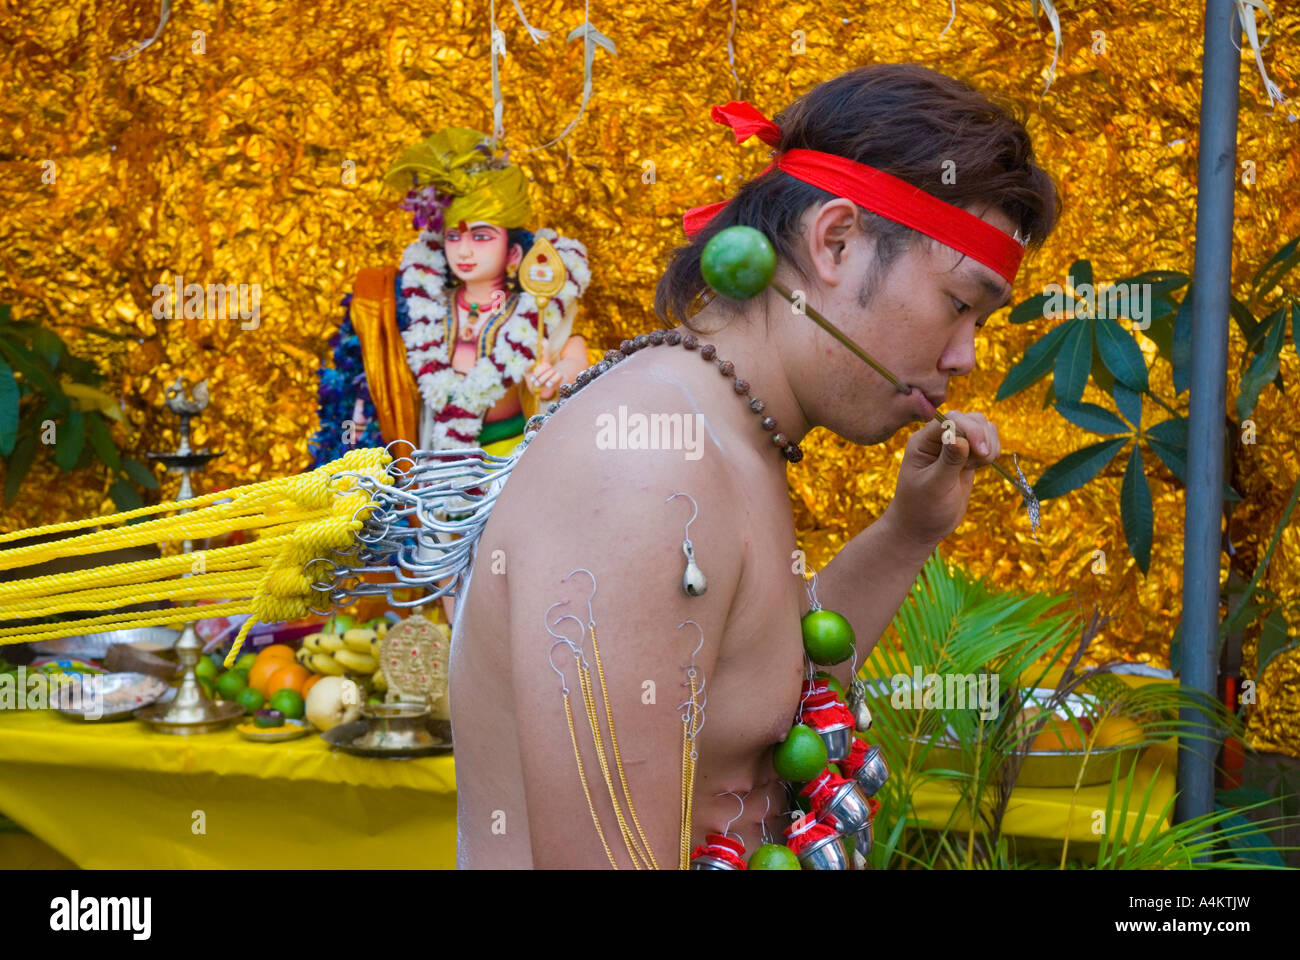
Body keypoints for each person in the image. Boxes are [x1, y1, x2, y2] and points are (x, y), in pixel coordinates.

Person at [449, 63, 1060, 868]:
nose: (965, 356)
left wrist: (908, 533)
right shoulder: (644, 468)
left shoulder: (724, 430)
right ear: (836, 241)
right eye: (959, 304)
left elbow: (764, 695)